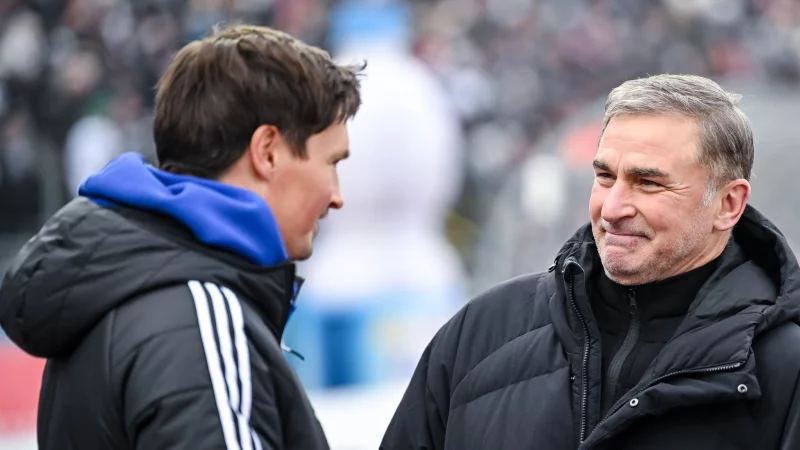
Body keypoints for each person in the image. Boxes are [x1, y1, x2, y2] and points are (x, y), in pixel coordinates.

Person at [380, 74, 800, 450]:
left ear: (728, 204)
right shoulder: (480, 331)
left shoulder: (787, 370)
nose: (612, 208)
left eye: (648, 183)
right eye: (604, 177)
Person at [0, 24, 362, 450]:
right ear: (267, 151)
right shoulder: (201, 317)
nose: (337, 196)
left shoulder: (125, 288)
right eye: (332, 163)